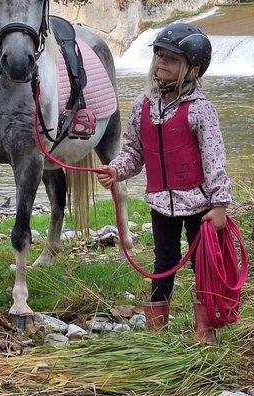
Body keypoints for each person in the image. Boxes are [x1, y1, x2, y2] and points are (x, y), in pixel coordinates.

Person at [97, 22, 232, 342]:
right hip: (160, 204)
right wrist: (116, 169)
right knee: (164, 264)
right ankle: (159, 333)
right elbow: (133, 152)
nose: (160, 63)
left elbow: (215, 160)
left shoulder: (201, 111)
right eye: (158, 56)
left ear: (193, 68)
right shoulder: (142, 106)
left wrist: (220, 205)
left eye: (171, 59)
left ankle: (205, 328)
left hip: (200, 207)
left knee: (203, 265)